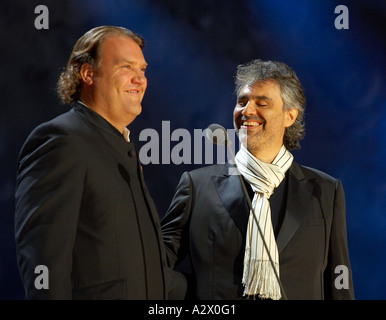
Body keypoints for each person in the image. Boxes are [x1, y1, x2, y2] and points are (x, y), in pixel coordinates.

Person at [161, 59, 355, 300]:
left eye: (261, 103)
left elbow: (339, 281)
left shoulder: (325, 190)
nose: (247, 111)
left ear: (290, 116)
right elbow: (154, 266)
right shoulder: (197, 186)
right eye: (242, 102)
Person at [15, 25, 179, 300]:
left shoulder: (121, 147)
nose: (140, 80)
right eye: (127, 67)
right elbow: (43, 265)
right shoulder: (62, 140)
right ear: (88, 73)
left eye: (143, 70)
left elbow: (139, 272)